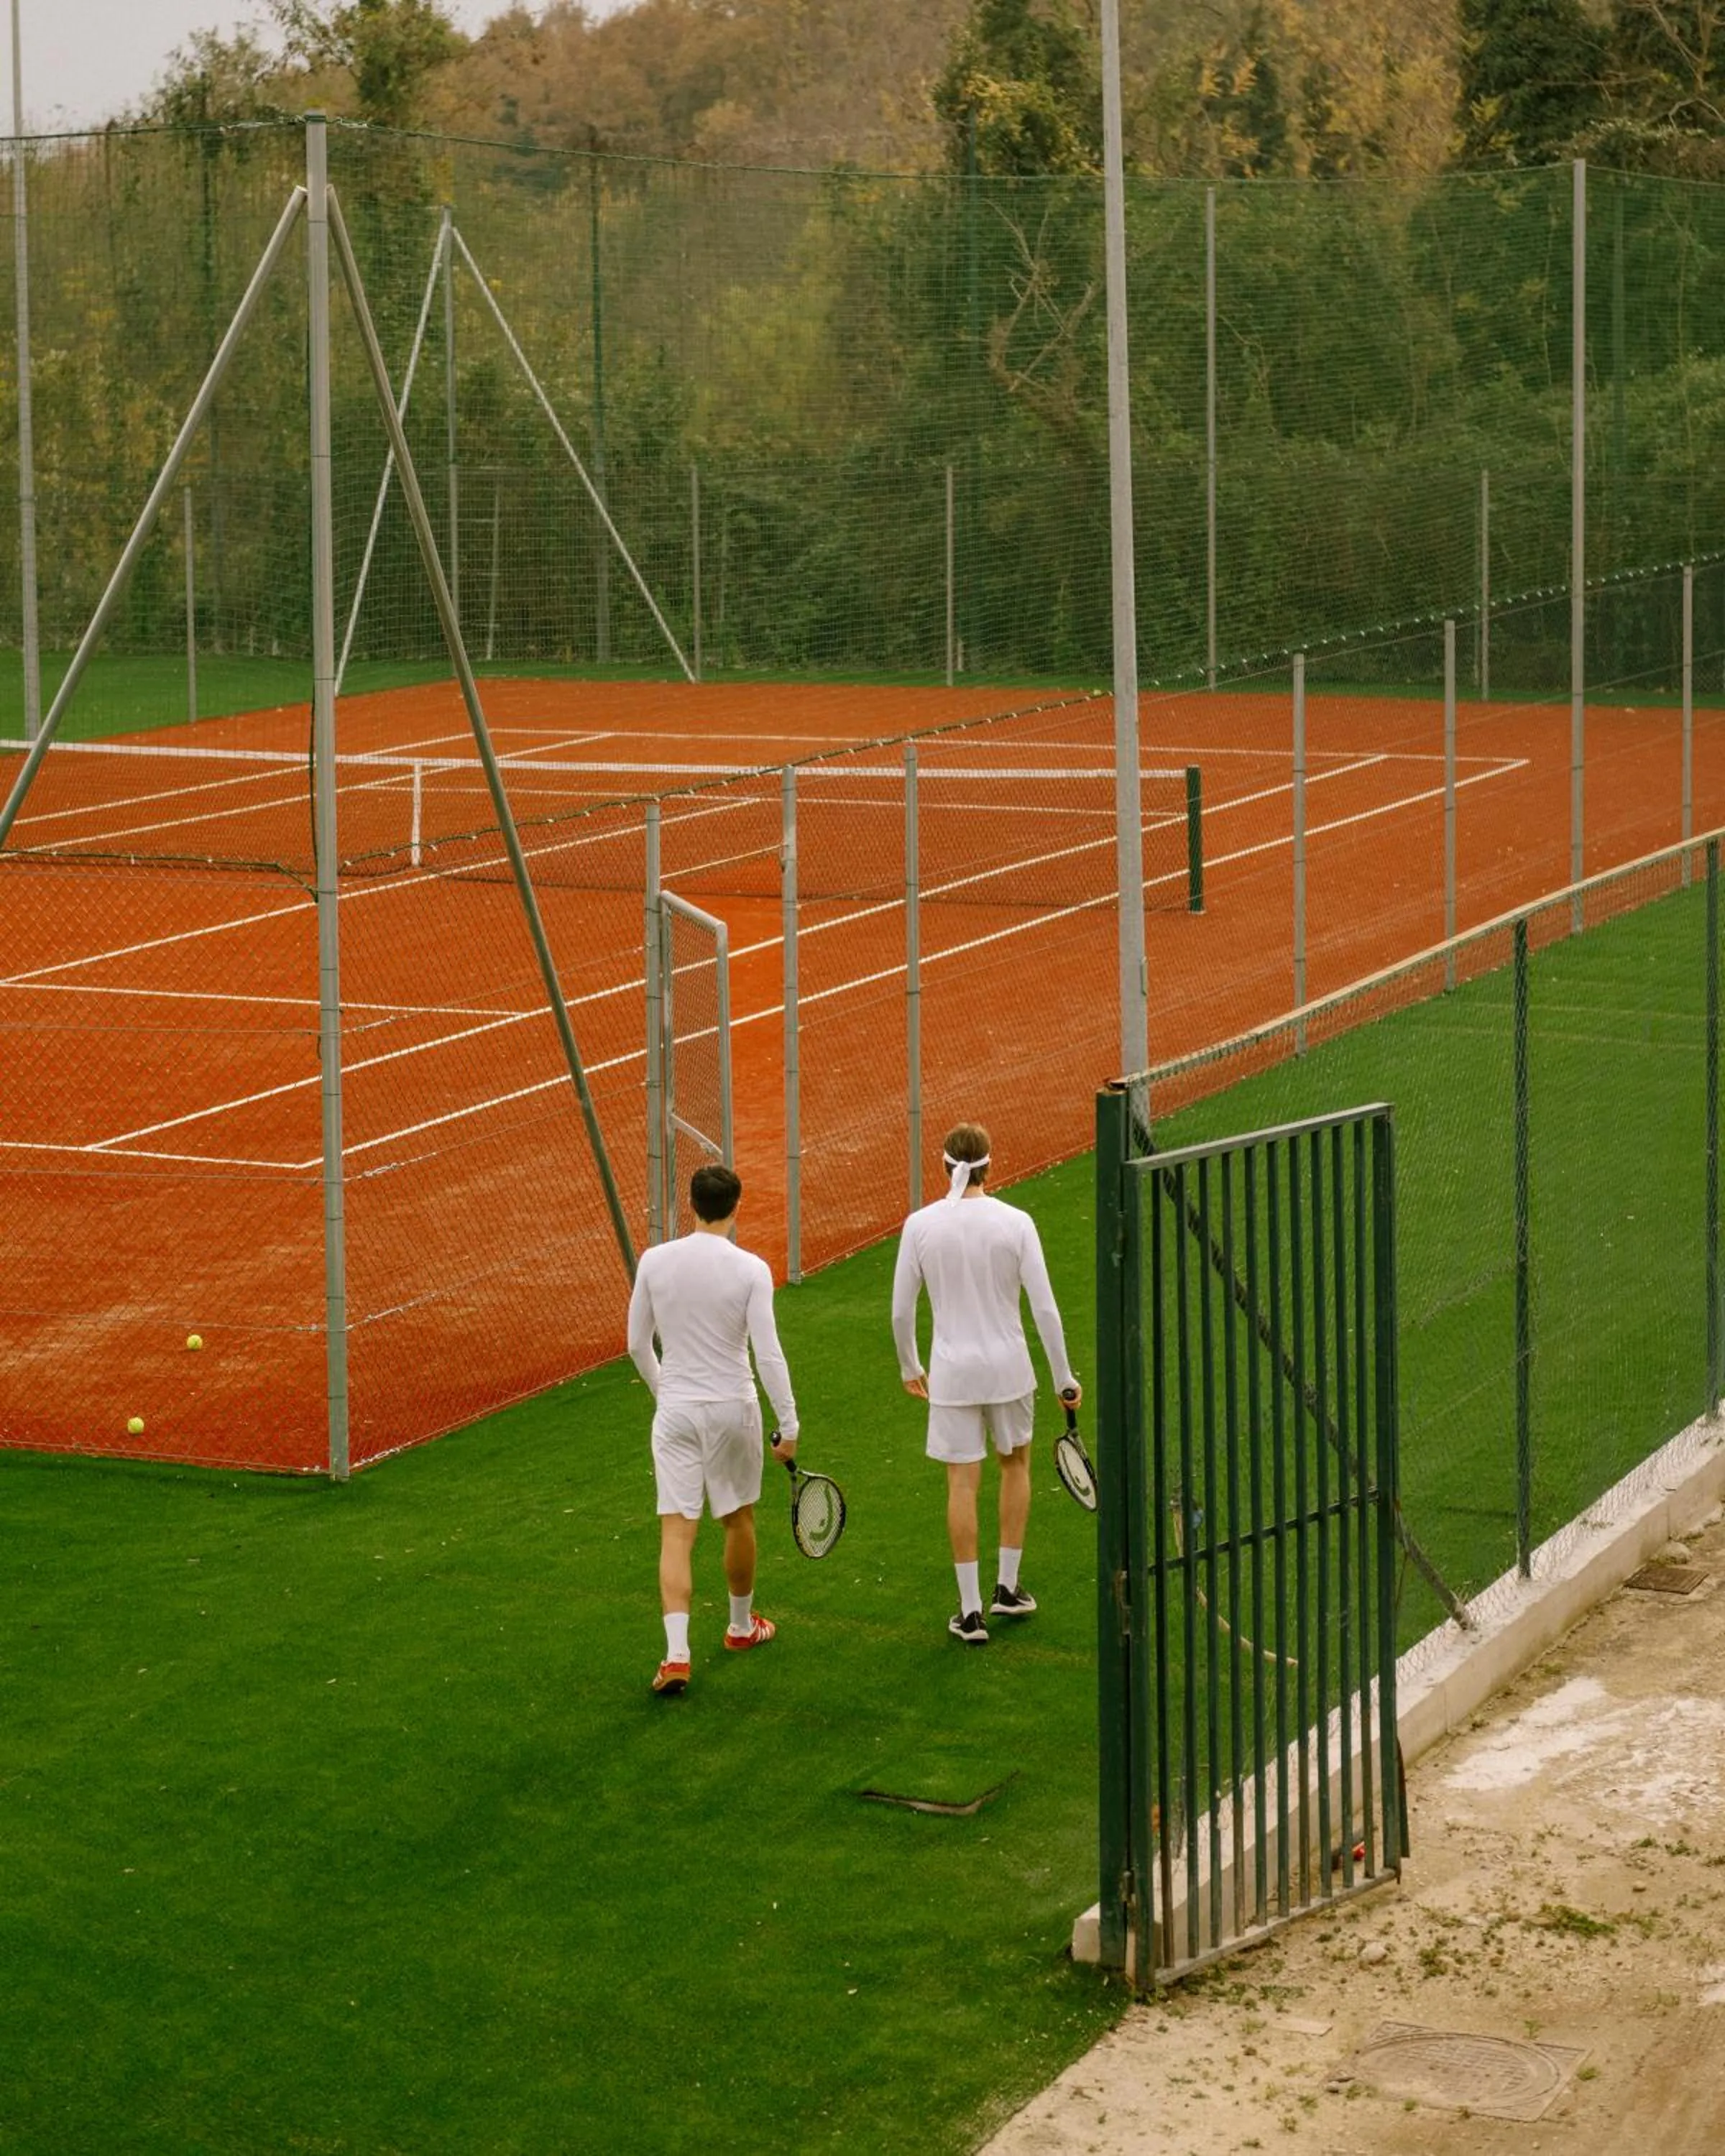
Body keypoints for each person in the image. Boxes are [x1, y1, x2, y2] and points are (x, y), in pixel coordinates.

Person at [891, 1122, 1080, 1644]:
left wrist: (910, 1366)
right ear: (989, 1167)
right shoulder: (1016, 1223)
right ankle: (1008, 1587)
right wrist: (1063, 1377)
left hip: (952, 1374)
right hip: (1009, 1371)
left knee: (961, 1482)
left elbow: (902, 1310)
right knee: (1015, 1464)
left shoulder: (920, 1225)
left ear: (945, 1167)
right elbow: (1044, 1308)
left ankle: (971, 1612)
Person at [627, 1162, 799, 1696]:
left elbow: (636, 1345)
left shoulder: (655, 1261)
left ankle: (677, 1653)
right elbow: (767, 1354)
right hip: (733, 1409)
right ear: (736, 1207)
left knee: (676, 1532)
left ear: (692, 1205)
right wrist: (788, 1421)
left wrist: (667, 1393)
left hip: (676, 1410)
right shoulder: (750, 1269)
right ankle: (741, 1627)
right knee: (738, 1519)